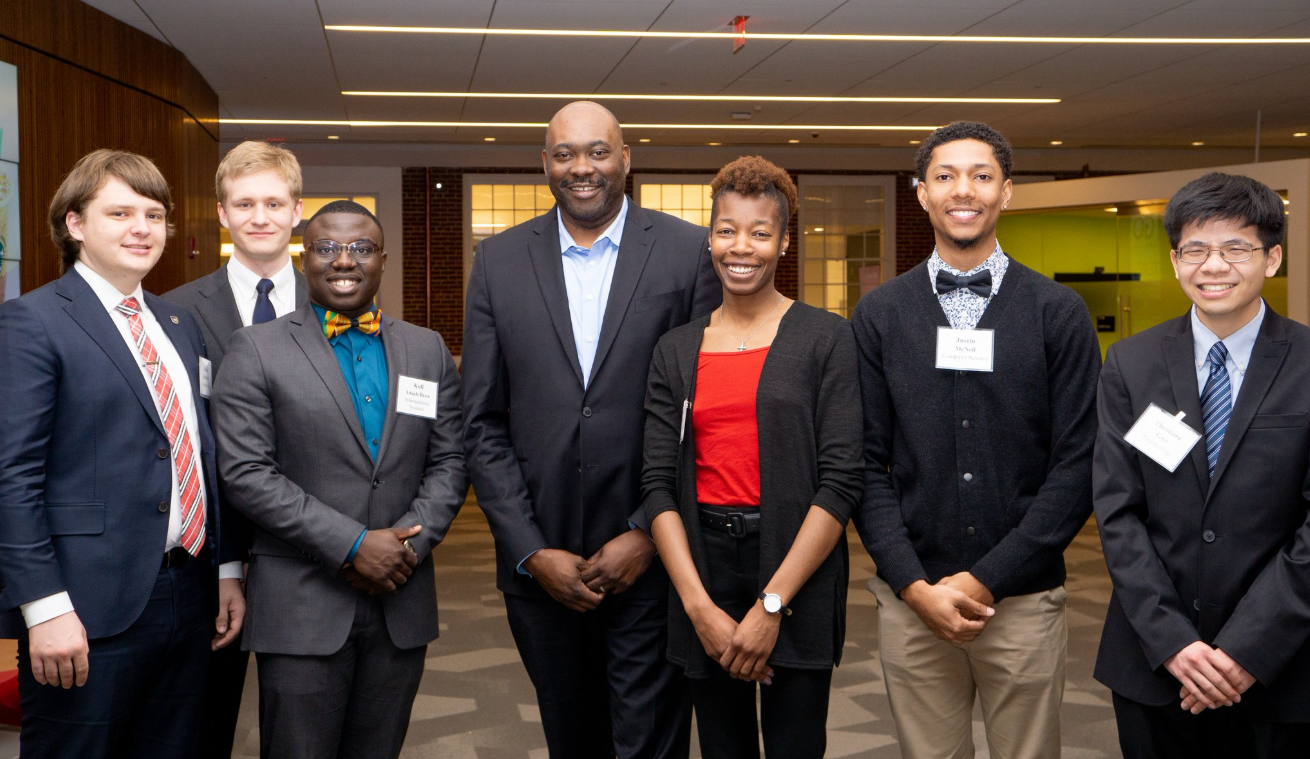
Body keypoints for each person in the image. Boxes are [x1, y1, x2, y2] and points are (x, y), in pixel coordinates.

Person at [462, 100, 720, 758]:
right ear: (545, 163)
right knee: (570, 737)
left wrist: (646, 531)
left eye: (599, 151)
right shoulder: (498, 262)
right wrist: (528, 547)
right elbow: (483, 420)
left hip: (654, 556)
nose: (583, 167)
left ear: (626, 159)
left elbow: (704, 412)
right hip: (541, 564)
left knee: (649, 740)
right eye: (566, 153)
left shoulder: (687, 251)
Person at [851, 121, 1101, 759]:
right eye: (946, 176)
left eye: (982, 176)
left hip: (1023, 600)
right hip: (914, 602)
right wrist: (912, 584)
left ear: (1007, 192)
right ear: (921, 194)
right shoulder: (880, 315)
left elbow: (1077, 464)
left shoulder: (1058, 312)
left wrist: (988, 578)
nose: (965, 191)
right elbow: (865, 463)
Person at [0, 149, 244, 757]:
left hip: (186, 597)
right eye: (121, 213)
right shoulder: (31, 322)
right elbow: (11, 476)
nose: (142, 228)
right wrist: (44, 607)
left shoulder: (178, 325)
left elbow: (199, 452)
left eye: (154, 215)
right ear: (74, 224)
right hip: (84, 604)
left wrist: (225, 568)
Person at [211, 201, 467, 759]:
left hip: (402, 597)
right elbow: (247, 473)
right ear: (306, 260)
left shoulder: (426, 348)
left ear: (382, 260)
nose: (343, 261)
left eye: (360, 248)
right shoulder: (255, 348)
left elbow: (450, 462)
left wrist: (405, 547)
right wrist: (353, 545)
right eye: (327, 247)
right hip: (302, 605)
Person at [641, 156, 863, 758]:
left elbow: (841, 482)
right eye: (726, 230)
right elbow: (657, 484)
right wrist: (698, 606)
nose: (742, 247)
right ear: (710, 237)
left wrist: (772, 603)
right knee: (721, 747)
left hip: (796, 569)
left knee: (795, 746)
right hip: (704, 570)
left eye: (761, 233)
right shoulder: (677, 349)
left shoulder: (826, 338)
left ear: (784, 242)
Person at [1093, 172, 1310, 758]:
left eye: (1236, 247)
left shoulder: (1307, 362)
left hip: (1281, 670)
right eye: (1196, 249)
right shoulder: (1130, 363)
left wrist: (1245, 650)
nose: (1214, 265)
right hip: (1154, 665)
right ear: (1174, 259)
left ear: (1273, 258)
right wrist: (1172, 643)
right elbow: (1117, 511)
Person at [164, 138, 308, 759]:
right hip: (206, 553)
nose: (260, 217)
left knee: (303, 727)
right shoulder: (173, 314)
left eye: (274, 202)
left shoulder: (340, 300)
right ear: (221, 214)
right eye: (243, 203)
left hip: (308, 553)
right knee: (203, 725)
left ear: (297, 211)